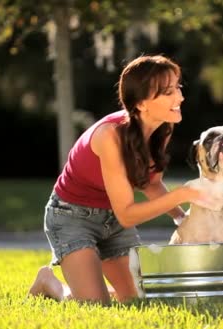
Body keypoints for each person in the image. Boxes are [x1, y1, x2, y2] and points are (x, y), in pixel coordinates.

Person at [28, 55, 204, 304]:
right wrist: (182, 194)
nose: (180, 98)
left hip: (113, 222)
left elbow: (150, 182)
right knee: (94, 305)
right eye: (168, 92)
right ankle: (50, 283)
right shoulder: (109, 136)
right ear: (141, 103)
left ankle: (82, 286)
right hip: (72, 218)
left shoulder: (161, 127)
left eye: (178, 88)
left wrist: (180, 218)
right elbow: (128, 214)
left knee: (136, 301)